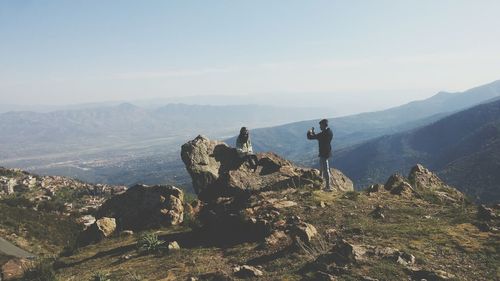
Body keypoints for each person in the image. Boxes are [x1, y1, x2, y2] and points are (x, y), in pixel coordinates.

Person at [307, 119, 334, 191]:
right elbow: (318, 136)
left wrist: (309, 131)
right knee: (322, 166)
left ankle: (328, 187)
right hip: (327, 152)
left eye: (320, 125)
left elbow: (310, 137)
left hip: (323, 153)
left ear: (323, 125)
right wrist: (314, 133)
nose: (320, 127)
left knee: (325, 169)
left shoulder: (323, 134)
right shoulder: (329, 132)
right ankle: (321, 179)